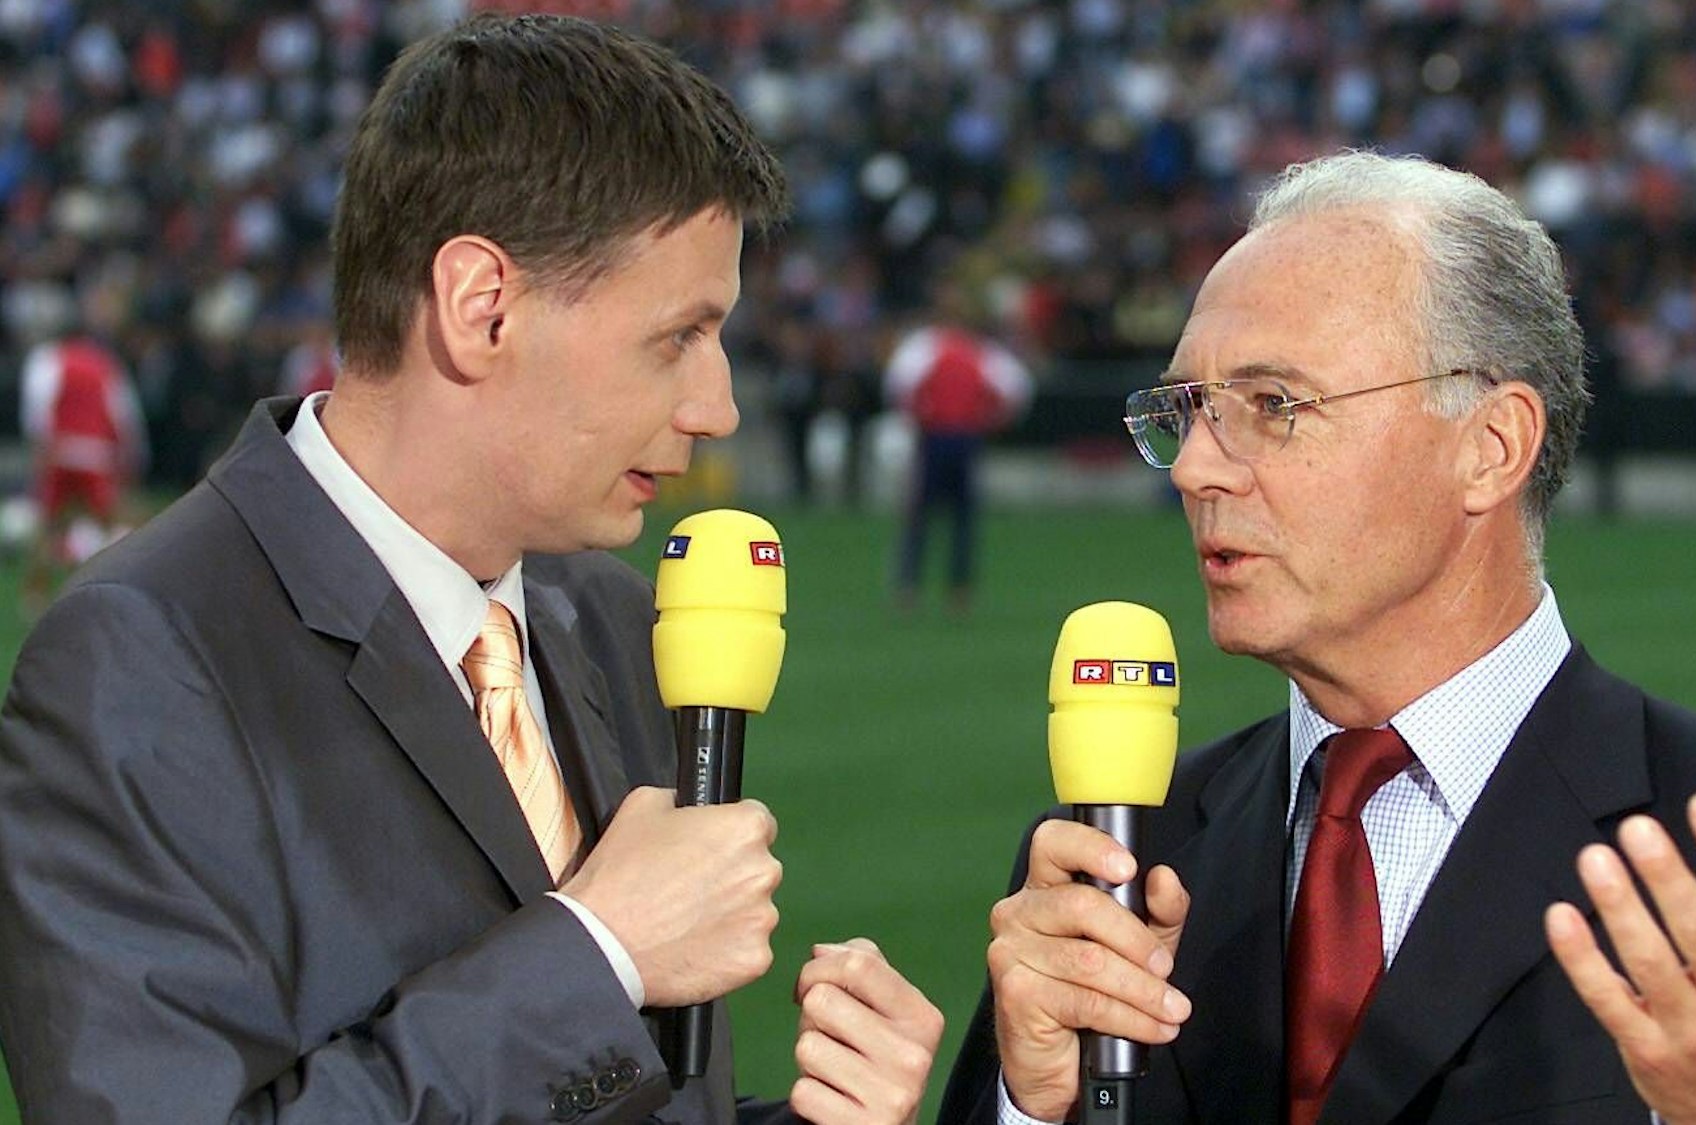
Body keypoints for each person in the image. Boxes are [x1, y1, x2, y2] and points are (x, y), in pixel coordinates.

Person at [0, 15, 942, 1124]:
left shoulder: (613, 620)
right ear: (480, 307)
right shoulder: (140, 657)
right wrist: (596, 955)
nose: (717, 407)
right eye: (676, 338)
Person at [939, 151, 1696, 1124]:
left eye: (1272, 406)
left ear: (1489, 448)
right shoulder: (1115, 852)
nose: (1194, 467)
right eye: (1185, 411)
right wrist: (1033, 1110)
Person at [883, 288, 1033, 614]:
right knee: (960, 518)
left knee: (923, 515)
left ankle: (913, 589)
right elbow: (1017, 388)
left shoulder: (924, 348)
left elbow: (897, 384)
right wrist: (991, 419)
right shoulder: (981, 353)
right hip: (963, 439)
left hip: (937, 437)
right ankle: (956, 591)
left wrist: (916, 414)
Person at [17, 314, 147, 609]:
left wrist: (40, 448)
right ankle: (110, 587)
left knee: (49, 523)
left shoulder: (49, 358)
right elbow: (124, 415)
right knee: (109, 521)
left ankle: (34, 596)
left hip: (61, 450)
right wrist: (132, 457)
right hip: (97, 454)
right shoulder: (106, 364)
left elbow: (38, 405)